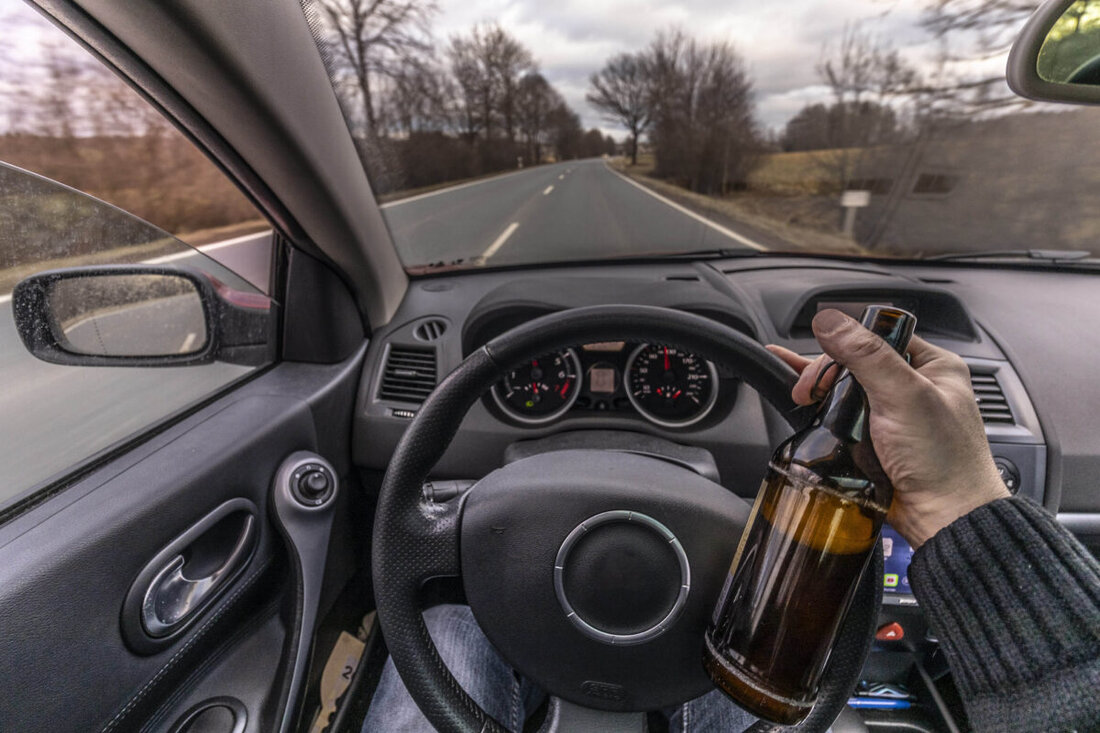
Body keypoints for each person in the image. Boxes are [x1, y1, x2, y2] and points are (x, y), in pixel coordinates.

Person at [364, 309, 1100, 732]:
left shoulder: (819, 458)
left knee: (442, 613)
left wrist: (949, 499)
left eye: (662, 385)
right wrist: (962, 501)